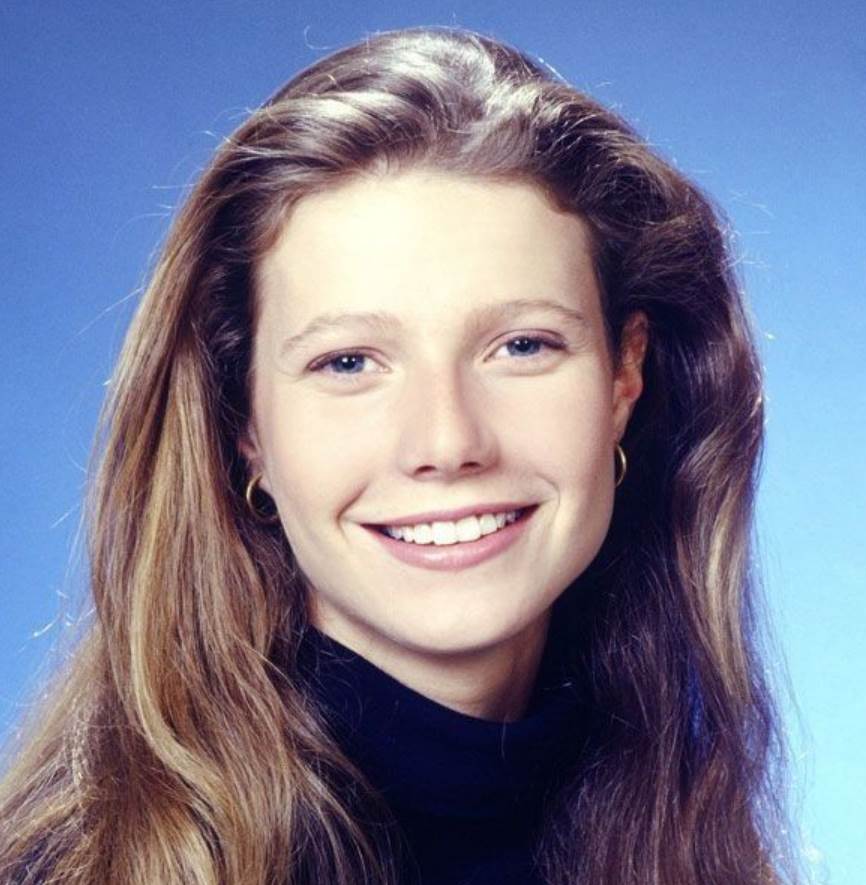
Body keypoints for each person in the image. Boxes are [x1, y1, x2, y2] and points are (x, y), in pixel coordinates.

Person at [0, 25, 804, 885]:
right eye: (348, 362)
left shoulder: (686, 833)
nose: (447, 442)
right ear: (245, 424)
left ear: (623, 376)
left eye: (522, 345)